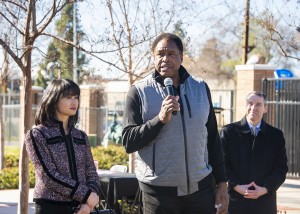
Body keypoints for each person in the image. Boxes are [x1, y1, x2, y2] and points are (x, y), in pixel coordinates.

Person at [122, 33, 228, 214]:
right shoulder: (138, 92)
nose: (165, 59)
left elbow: (212, 139)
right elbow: (128, 142)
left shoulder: (201, 88)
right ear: (153, 57)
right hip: (158, 193)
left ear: (181, 57)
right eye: (160, 54)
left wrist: (222, 185)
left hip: (200, 190)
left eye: (171, 53)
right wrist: (159, 120)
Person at [25, 79, 101, 214]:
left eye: (76, 97)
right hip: (50, 207)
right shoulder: (37, 134)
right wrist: (85, 195)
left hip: (82, 208)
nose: (74, 102)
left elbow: (91, 172)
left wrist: (89, 203)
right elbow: (48, 176)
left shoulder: (81, 136)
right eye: (68, 97)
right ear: (53, 100)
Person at [220, 91, 288, 214]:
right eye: (250, 103)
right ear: (245, 106)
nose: (253, 108)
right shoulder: (229, 132)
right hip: (235, 202)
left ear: (265, 108)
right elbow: (222, 164)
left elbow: (281, 168)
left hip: (265, 202)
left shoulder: (276, 136)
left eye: (258, 104)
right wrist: (237, 186)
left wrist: (265, 188)